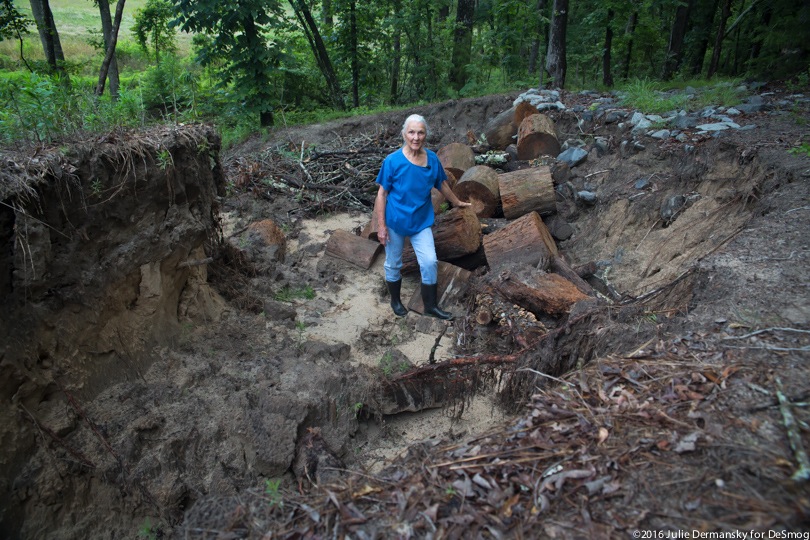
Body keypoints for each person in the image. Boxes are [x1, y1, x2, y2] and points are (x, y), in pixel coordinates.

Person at [375, 114, 472, 320]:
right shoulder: (392, 161)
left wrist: (456, 202)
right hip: (395, 222)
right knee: (393, 263)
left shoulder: (432, 159)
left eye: (420, 132)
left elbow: (441, 183)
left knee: (429, 262)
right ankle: (395, 300)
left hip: (421, 222)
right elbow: (381, 194)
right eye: (411, 132)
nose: (416, 137)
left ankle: (430, 306)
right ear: (404, 134)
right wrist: (381, 226)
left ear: (425, 135)